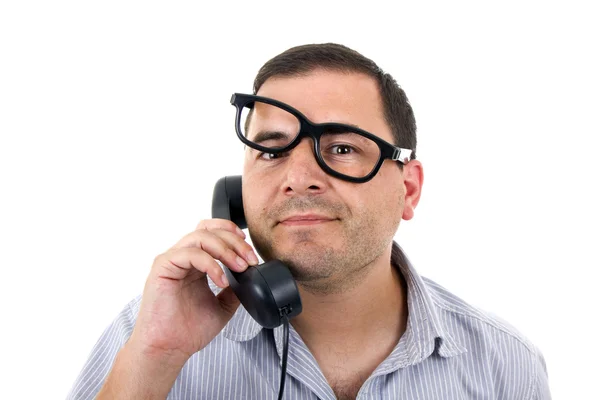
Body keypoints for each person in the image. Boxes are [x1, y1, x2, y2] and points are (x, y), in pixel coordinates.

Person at [68, 43, 551, 400]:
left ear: (408, 188)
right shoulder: (149, 331)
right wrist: (153, 359)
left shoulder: (503, 366)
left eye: (342, 148)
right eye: (272, 148)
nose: (298, 178)